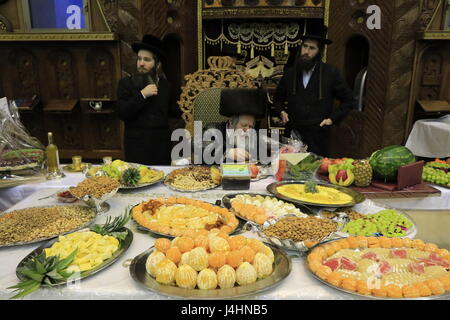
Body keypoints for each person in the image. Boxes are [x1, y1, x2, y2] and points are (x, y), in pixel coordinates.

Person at [273, 23, 356, 156]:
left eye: (312, 48)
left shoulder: (331, 73)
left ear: (319, 51)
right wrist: (281, 111)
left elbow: (349, 100)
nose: (306, 51)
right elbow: (278, 98)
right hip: (294, 133)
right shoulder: (290, 73)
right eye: (305, 46)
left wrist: (332, 119)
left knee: (317, 173)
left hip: (319, 134)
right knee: (291, 171)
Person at [116, 35, 172, 165]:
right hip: (136, 148)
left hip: (161, 149)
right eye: (139, 59)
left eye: (147, 60)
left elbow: (172, 115)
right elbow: (122, 112)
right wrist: (142, 95)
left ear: (157, 64)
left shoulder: (166, 86)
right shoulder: (125, 83)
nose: (141, 63)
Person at [201, 88, 267, 163]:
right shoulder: (213, 130)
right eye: (244, 125)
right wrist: (226, 153)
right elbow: (198, 146)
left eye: (251, 126)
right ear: (231, 123)